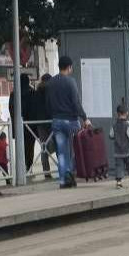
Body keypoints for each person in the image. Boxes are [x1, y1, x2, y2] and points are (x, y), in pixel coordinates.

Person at [46, 56, 91, 189]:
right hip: (71, 121)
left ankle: (62, 180)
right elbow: (76, 103)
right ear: (69, 67)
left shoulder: (51, 82)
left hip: (57, 121)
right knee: (76, 150)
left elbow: (47, 103)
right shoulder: (70, 82)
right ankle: (70, 175)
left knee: (61, 152)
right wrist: (84, 117)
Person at [109, 104, 129, 188]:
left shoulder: (114, 126)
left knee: (119, 166)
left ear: (117, 114)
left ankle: (119, 182)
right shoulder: (128, 125)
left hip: (118, 152)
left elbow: (111, 135)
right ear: (126, 113)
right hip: (127, 151)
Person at [32, 73, 54, 180]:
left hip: (40, 123)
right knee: (57, 144)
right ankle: (60, 168)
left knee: (43, 147)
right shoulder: (51, 91)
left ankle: (46, 172)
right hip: (50, 121)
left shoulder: (36, 93)